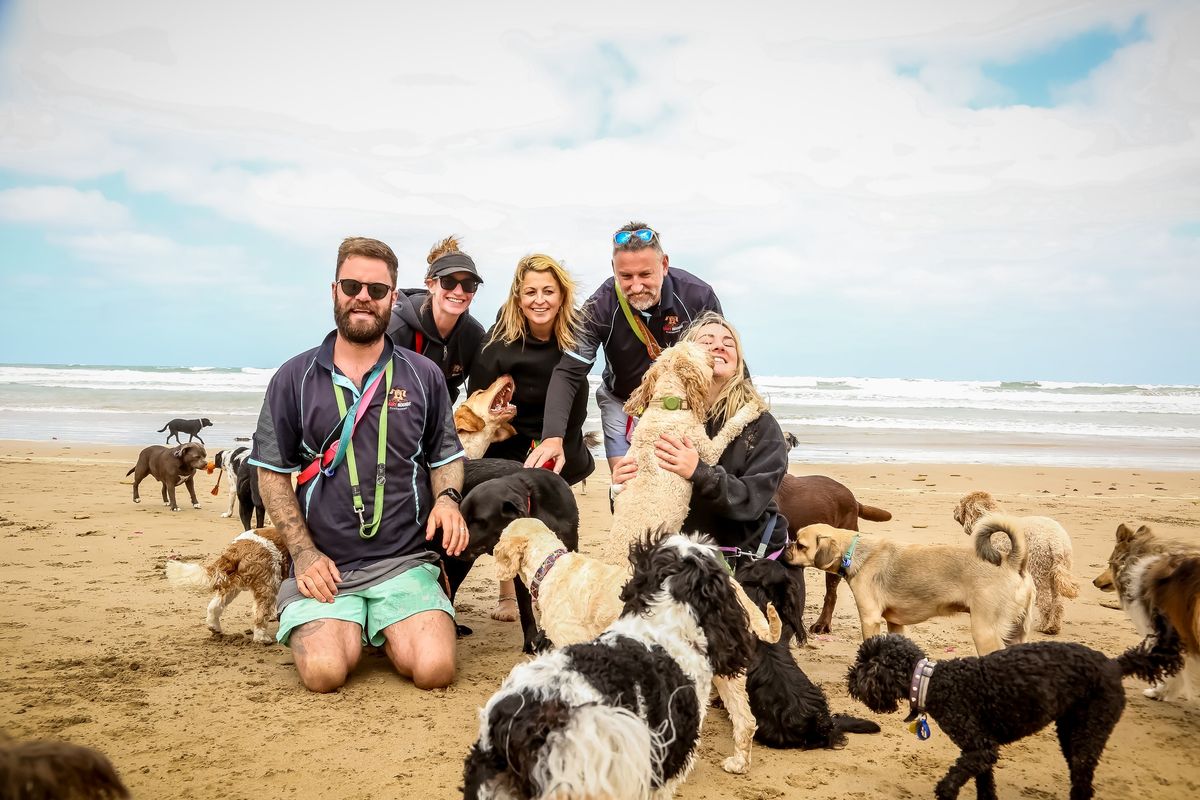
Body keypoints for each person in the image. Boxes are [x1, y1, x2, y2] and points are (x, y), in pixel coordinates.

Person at [251, 236, 469, 693]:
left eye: (377, 289)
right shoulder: (294, 377)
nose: (363, 297)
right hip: (326, 565)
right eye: (352, 286)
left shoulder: (423, 375)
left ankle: (386, 625)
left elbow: (445, 455)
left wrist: (448, 500)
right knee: (325, 673)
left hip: (405, 561)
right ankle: (354, 626)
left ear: (394, 297)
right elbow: (271, 472)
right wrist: (304, 552)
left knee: (434, 670)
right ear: (335, 291)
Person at [525, 222, 722, 475]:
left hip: (680, 406)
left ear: (664, 265)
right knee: (625, 486)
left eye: (645, 275)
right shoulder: (600, 305)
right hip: (622, 402)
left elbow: (723, 361)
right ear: (614, 270)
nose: (636, 286)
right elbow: (569, 372)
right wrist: (553, 436)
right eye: (626, 277)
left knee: (683, 486)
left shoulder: (698, 296)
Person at [466, 253, 596, 621]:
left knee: (555, 520)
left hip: (562, 439)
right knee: (512, 518)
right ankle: (508, 593)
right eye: (531, 292)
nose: (540, 300)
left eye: (548, 291)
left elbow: (577, 397)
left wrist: (562, 444)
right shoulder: (499, 344)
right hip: (512, 441)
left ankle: (557, 591)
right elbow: (481, 403)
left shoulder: (576, 338)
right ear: (518, 297)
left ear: (562, 295)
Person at [609, 311, 790, 560]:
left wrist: (698, 471)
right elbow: (645, 508)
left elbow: (751, 501)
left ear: (738, 363)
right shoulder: (664, 418)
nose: (718, 345)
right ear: (685, 357)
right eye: (707, 341)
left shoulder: (761, 424)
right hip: (682, 559)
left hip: (750, 561)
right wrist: (619, 487)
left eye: (729, 343)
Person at [386, 235, 485, 403]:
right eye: (448, 282)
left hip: (439, 419)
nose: (459, 292)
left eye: (468, 284)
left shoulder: (474, 336)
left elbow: (452, 390)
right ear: (430, 285)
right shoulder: (395, 329)